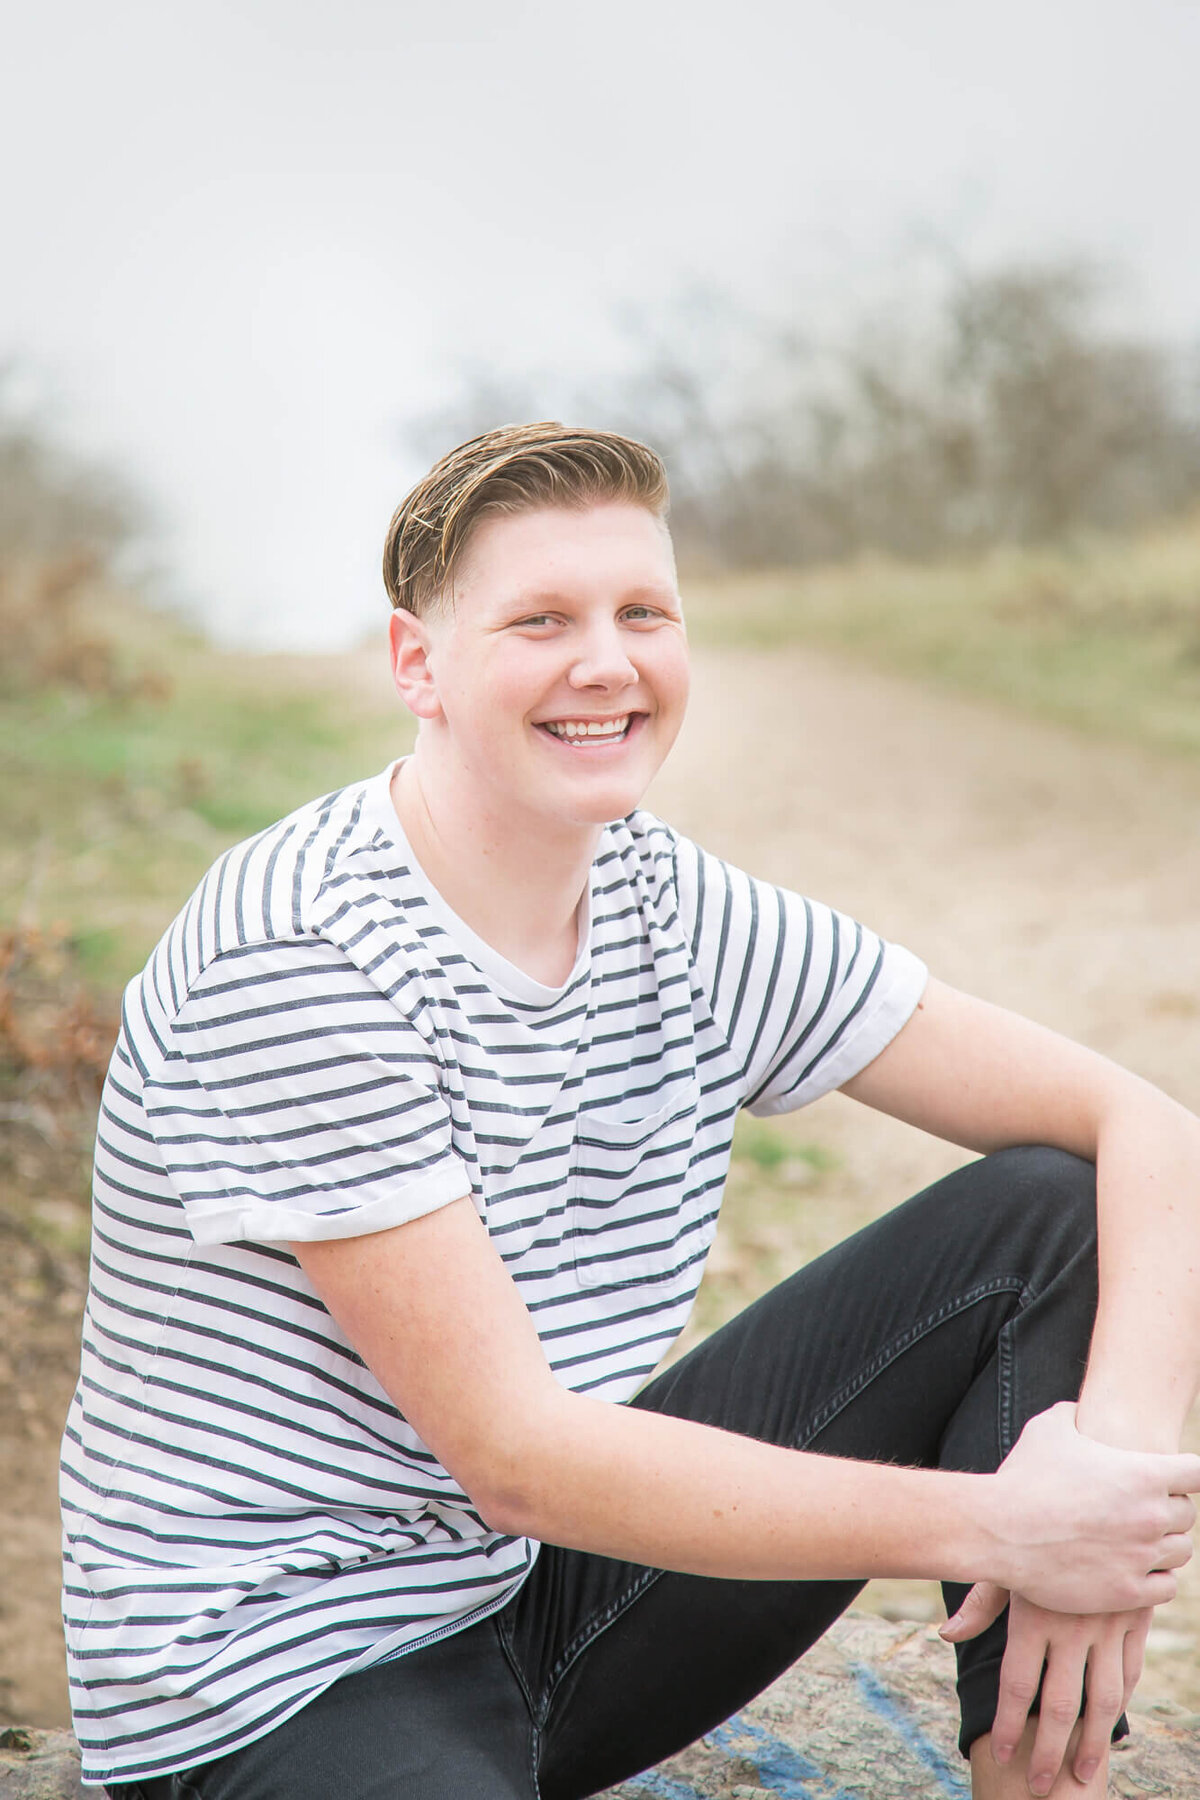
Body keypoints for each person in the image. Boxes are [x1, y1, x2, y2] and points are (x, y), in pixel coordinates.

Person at [63, 423, 1200, 1800]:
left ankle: (1040, 1777)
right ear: (418, 665)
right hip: (278, 1680)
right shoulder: (304, 957)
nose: (607, 662)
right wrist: (1007, 1526)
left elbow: (1148, 1129)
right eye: (542, 620)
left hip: (532, 1607)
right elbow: (519, 1463)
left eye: (642, 612)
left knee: (1047, 1214)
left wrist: (1105, 1496)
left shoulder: (672, 902)